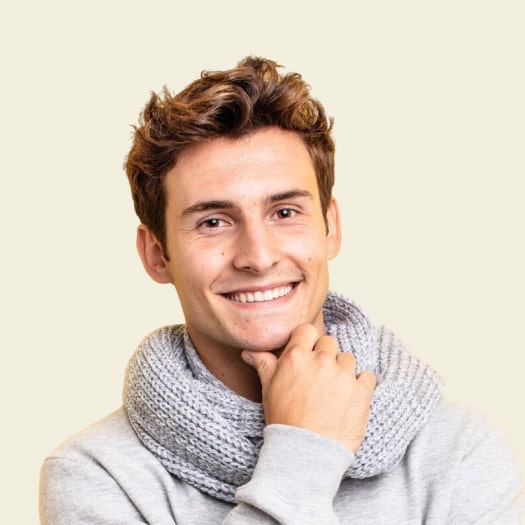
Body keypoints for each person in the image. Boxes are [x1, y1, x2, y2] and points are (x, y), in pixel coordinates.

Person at [39, 56, 523, 524]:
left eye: (285, 212)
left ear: (330, 227)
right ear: (156, 254)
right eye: (213, 221)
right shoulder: (96, 476)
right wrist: (303, 454)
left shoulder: (460, 451)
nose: (259, 255)